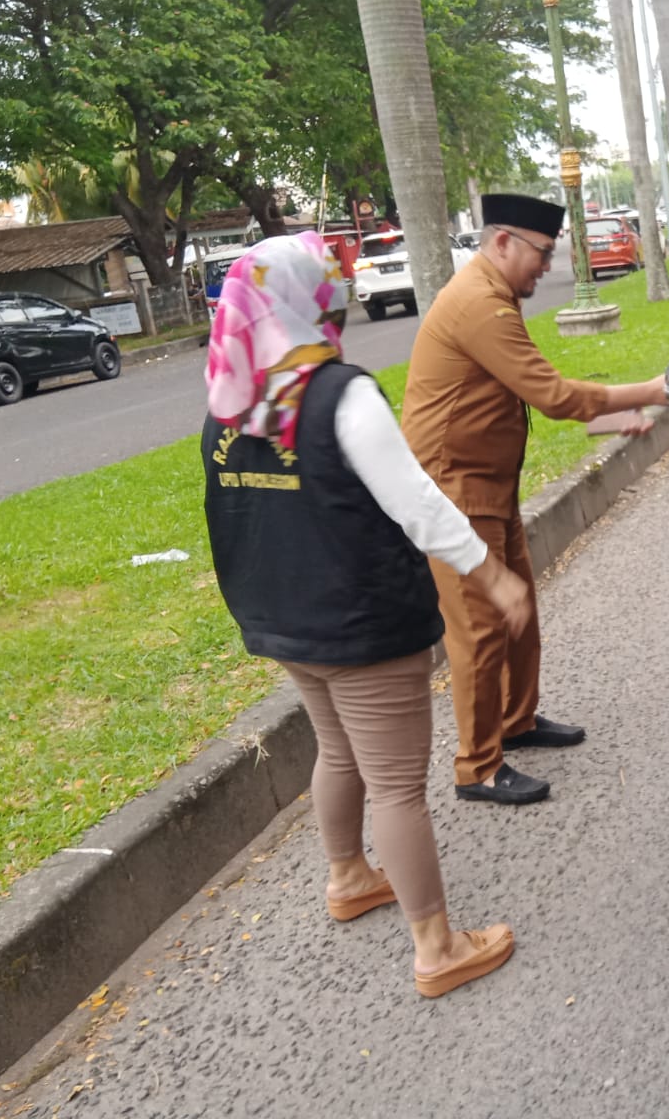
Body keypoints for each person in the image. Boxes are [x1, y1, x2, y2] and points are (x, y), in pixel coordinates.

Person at [201, 232, 529, 999]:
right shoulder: (339, 395)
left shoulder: (230, 394)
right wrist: (492, 575)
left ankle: (349, 875)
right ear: (308, 300)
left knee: (338, 749)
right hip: (360, 622)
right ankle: (437, 947)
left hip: (283, 616)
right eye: (329, 284)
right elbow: (416, 503)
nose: (340, 297)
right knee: (398, 786)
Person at [400, 194, 668, 806]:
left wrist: (614, 418)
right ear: (502, 242)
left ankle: (515, 721)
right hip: (455, 490)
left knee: (519, 612)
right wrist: (650, 390)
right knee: (480, 628)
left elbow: (520, 393)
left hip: (488, 484)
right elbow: (551, 395)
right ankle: (477, 767)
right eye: (543, 253)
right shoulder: (479, 303)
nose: (549, 266)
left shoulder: (492, 295)